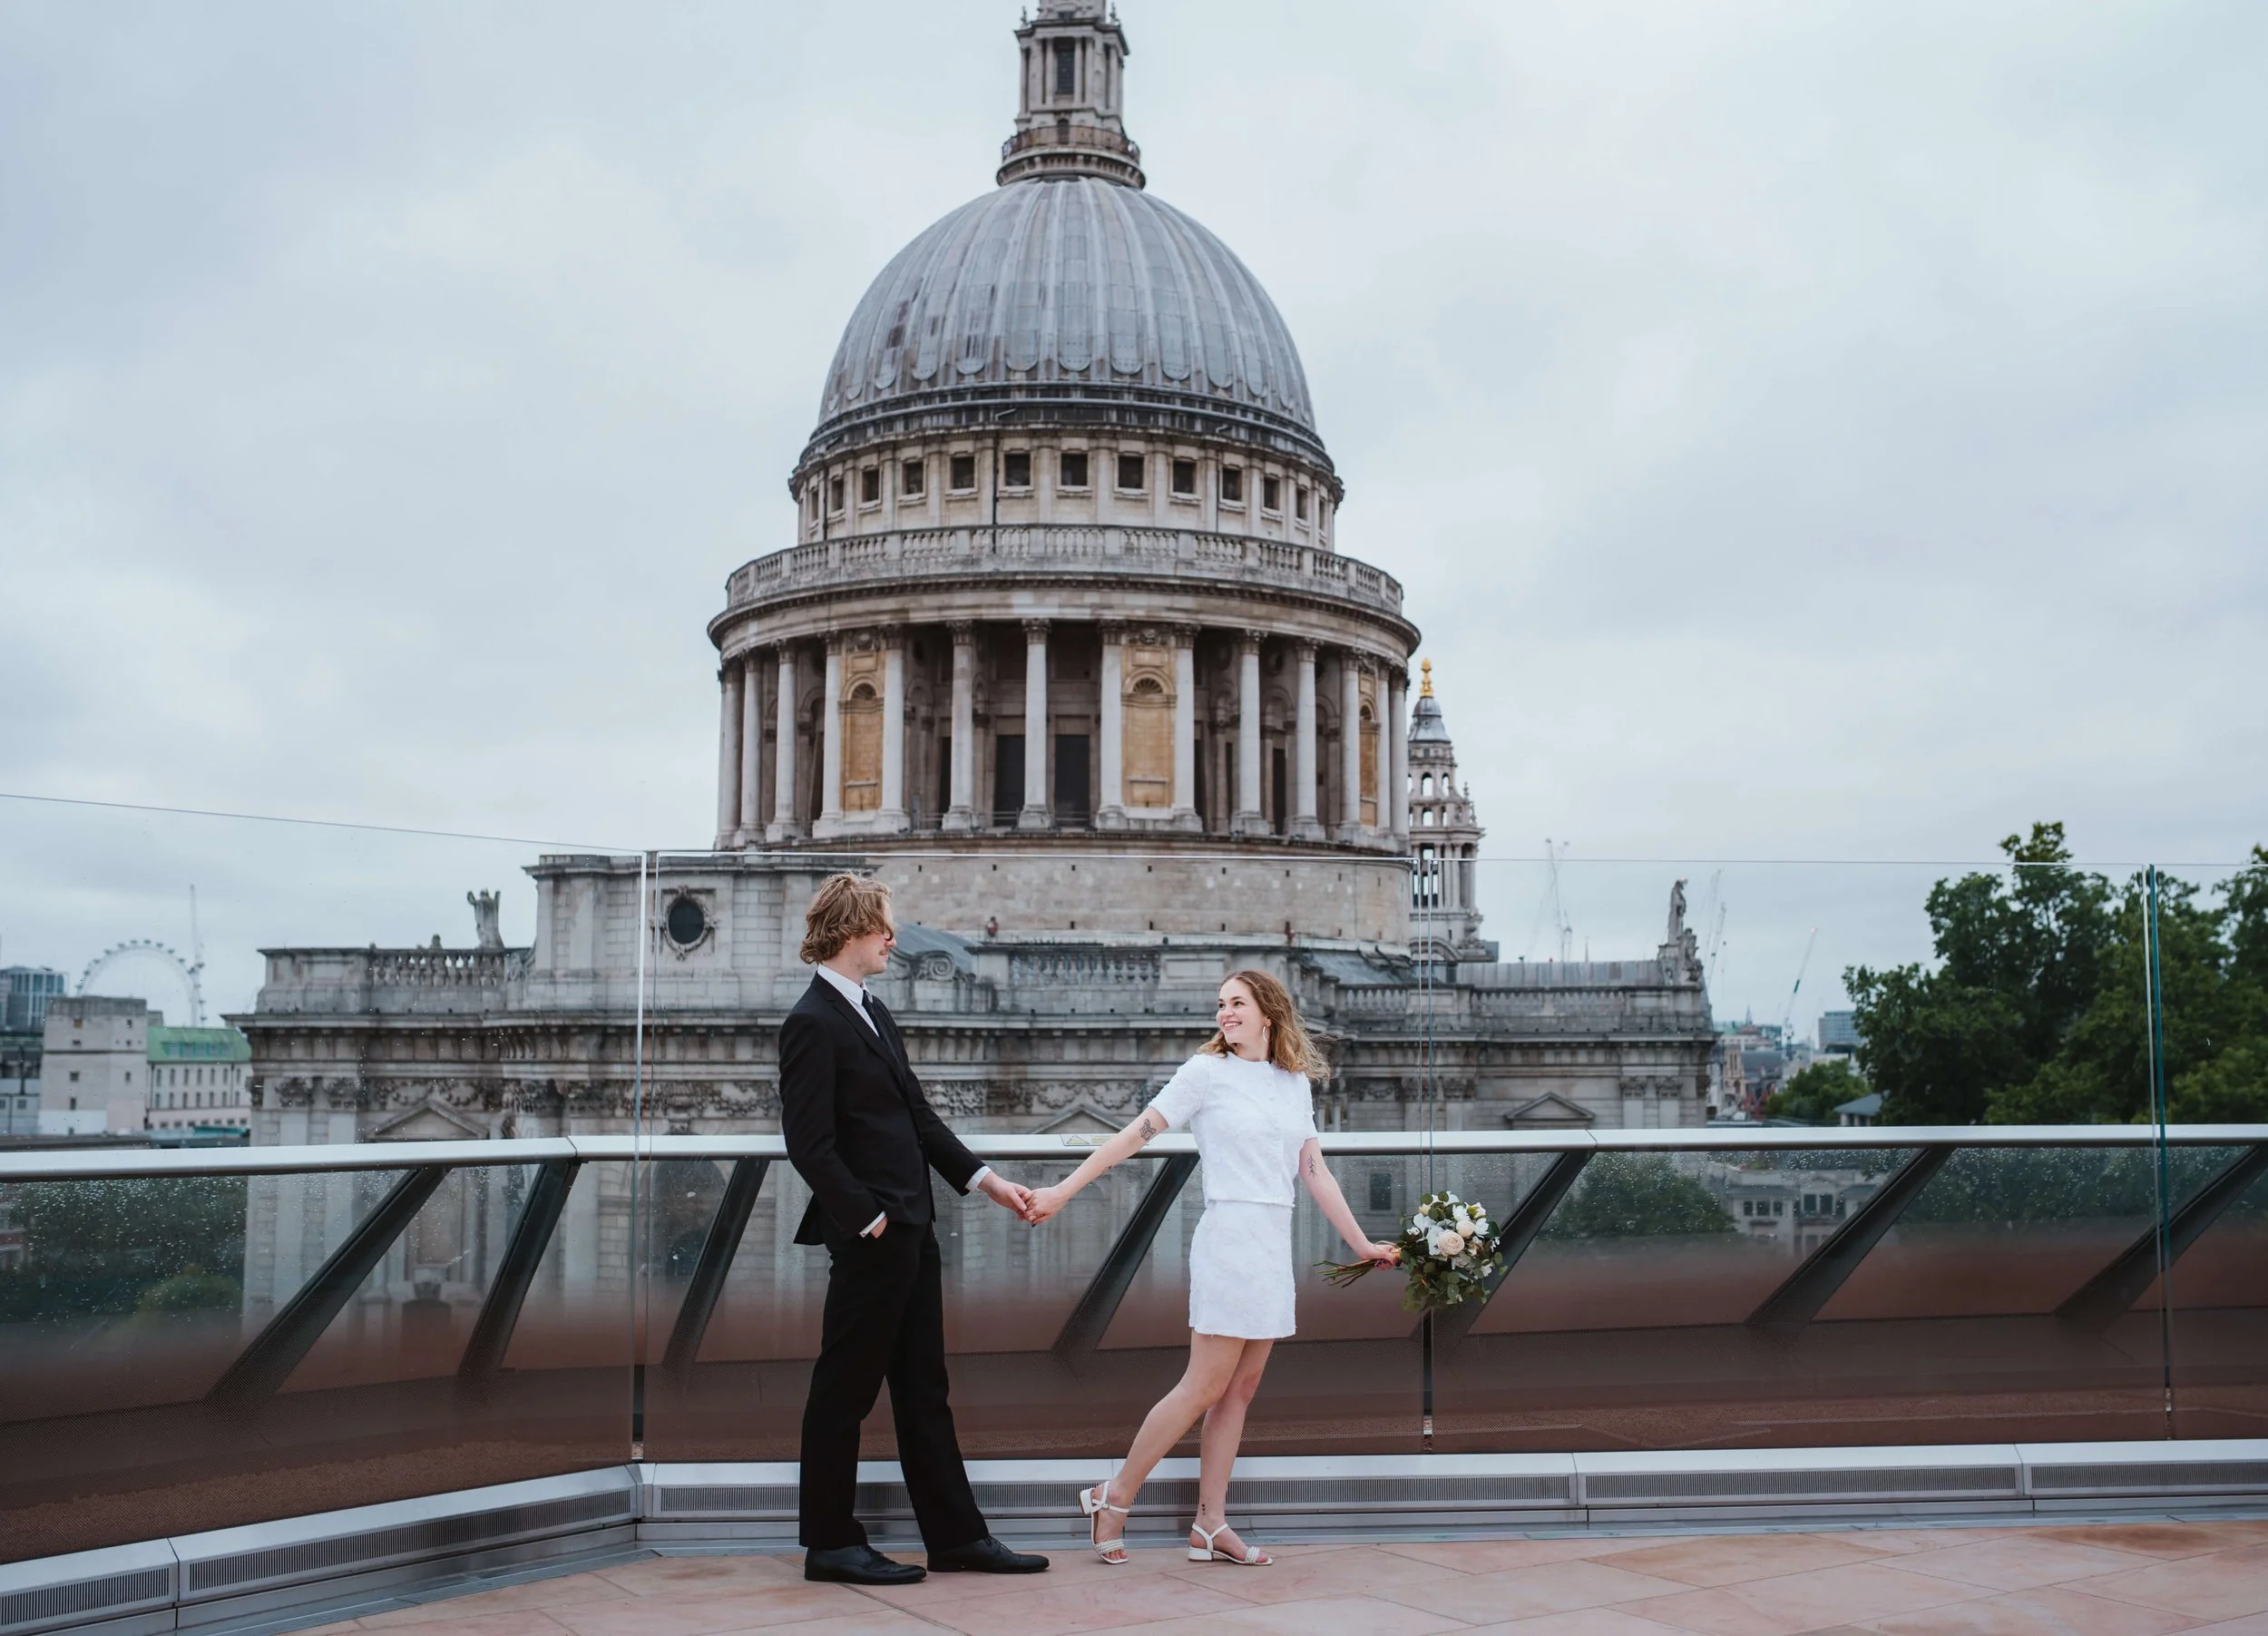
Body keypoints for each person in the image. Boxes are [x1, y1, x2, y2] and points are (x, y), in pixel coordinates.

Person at [1023, 968, 1398, 1565]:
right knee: (1202, 1384)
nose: (1225, 1013)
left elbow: (1314, 1170)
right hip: (1228, 1236)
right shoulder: (1205, 1073)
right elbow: (1133, 1135)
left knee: (1240, 1390)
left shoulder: (1293, 1082)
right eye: (1221, 1003)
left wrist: (1361, 1243)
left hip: (1273, 1239)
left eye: (1237, 1002)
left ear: (1268, 1012)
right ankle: (1113, 1495)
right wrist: (1063, 1190)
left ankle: (1209, 1523)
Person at [780, 873, 1050, 1585]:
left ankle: (956, 1537)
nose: (893, 940)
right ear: (849, 932)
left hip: (911, 1226)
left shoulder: (873, 1012)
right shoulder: (812, 1020)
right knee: (843, 1390)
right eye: (883, 929)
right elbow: (809, 1143)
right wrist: (868, 1219)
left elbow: (920, 1119)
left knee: (924, 1387)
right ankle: (831, 1542)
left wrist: (988, 1181)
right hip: (876, 1233)